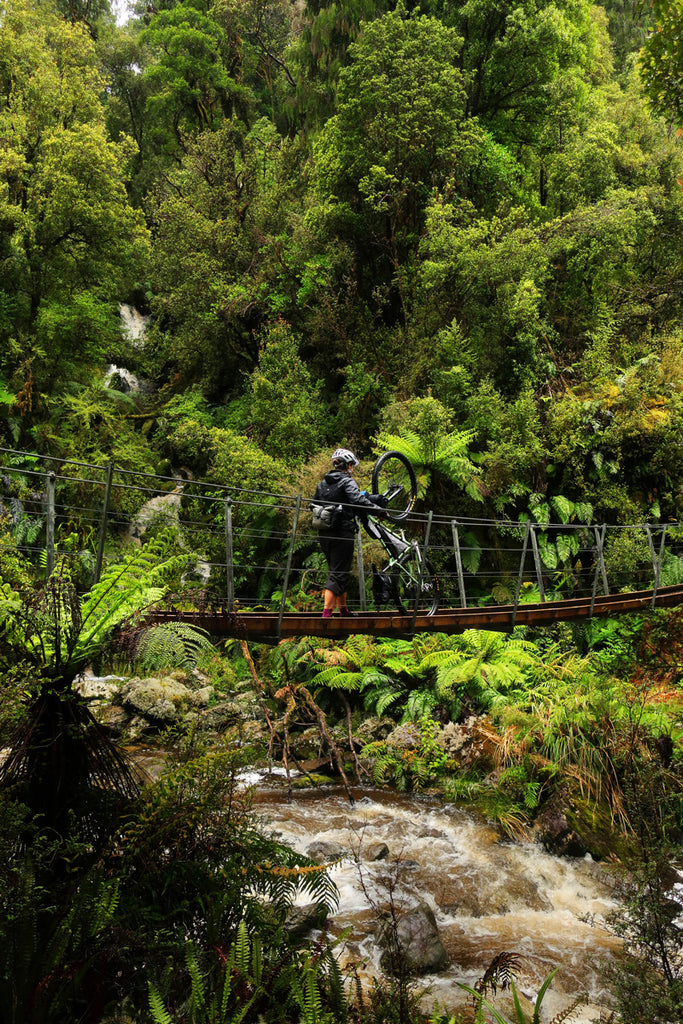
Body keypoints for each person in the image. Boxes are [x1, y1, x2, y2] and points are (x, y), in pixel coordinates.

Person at [314, 447, 388, 617]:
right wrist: (378, 510)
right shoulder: (347, 481)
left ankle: (343, 610)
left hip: (324, 533)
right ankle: (326, 615)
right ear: (346, 465)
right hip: (342, 532)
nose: (352, 469)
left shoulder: (322, 484)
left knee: (339, 570)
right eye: (351, 465)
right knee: (337, 573)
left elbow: (313, 504)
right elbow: (357, 500)